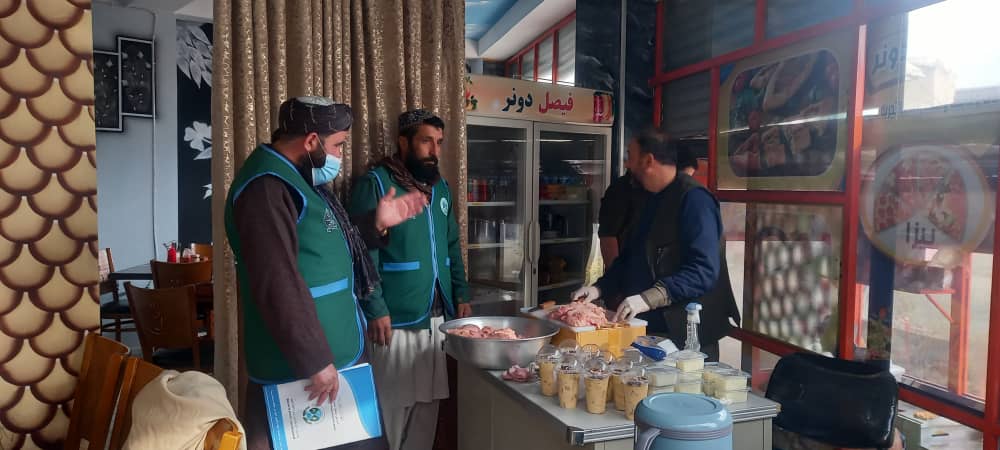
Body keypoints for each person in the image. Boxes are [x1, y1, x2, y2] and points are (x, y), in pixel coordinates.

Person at [224, 97, 427, 450]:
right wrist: (315, 360)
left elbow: (323, 243)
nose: (340, 155)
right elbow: (276, 281)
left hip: (336, 355)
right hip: (300, 370)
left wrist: (376, 222)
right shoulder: (266, 188)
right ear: (311, 141)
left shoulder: (300, 180)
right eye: (338, 145)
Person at [349, 109, 471, 450]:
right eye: (426, 141)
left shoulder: (440, 189)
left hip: (437, 319)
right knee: (391, 410)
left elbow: (452, 245)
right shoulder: (376, 184)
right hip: (395, 319)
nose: (434, 151)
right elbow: (361, 253)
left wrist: (461, 292)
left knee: (427, 408)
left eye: (439, 143)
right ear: (403, 142)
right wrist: (375, 308)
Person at [573, 130, 739, 361]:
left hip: (686, 336)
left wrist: (648, 298)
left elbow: (703, 271)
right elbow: (630, 258)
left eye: (631, 156)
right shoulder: (650, 198)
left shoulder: (695, 200)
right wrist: (599, 288)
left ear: (648, 160)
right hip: (651, 331)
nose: (627, 164)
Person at [597, 142, 698, 266]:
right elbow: (608, 238)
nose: (683, 184)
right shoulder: (622, 190)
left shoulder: (669, 195)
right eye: (682, 178)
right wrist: (617, 275)